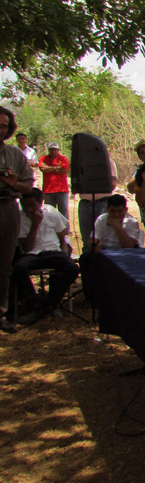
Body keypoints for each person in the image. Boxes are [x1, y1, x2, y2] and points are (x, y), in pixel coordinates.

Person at [15, 188, 80, 322]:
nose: (28, 209)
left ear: (40, 202)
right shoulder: (20, 217)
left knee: (71, 268)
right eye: (25, 205)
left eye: (32, 205)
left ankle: (51, 303)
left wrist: (64, 253)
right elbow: (27, 247)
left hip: (52, 251)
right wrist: (35, 224)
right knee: (18, 268)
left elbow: (62, 236)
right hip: (32, 254)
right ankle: (34, 305)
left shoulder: (50, 211)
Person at [0, 106, 34, 332]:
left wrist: (13, 183)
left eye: (4, 126)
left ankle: (1, 314)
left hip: (7, 207)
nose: (0, 129)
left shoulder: (14, 153)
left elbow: (28, 185)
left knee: (3, 264)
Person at [77, 157, 118, 253]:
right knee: (87, 240)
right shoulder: (81, 163)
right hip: (85, 204)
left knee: (103, 238)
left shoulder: (109, 163)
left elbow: (112, 184)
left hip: (102, 203)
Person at [39, 141, 70, 222]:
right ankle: (50, 228)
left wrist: (49, 168)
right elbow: (42, 169)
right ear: (48, 150)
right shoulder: (43, 158)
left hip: (61, 189)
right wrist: (56, 167)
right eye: (51, 149)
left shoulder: (63, 159)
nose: (53, 151)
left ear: (58, 150)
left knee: (63, 210)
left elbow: (64, 170)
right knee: (48, 211)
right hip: (48, 189)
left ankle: (65, 228)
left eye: (55, 149)